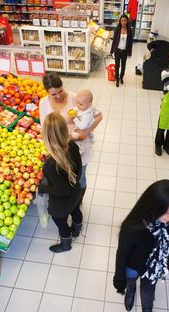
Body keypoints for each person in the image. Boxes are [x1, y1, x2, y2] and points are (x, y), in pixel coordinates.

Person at [113, 179, 169, 312]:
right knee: (131, 281)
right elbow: (122, 254)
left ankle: (147, 310)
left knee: (148, 290)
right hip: (133, 265)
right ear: (154, 207)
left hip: (153, 267)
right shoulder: (132, 228)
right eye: (168, 212)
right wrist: (119, 279)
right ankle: (131, 291)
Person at [39, 72, 102, 200]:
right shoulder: (43, 103)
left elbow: (98, 115)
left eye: (60, 91)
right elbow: (44, 126)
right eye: (53, 94)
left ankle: (79, 200)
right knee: (64, 179)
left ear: (63, 86)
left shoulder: (75, 98)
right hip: (59, 151)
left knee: (80, 177)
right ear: (47, 92)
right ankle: (70, 200)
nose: (58, 96)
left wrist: (86, 131)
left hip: (79, 148)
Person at [38, 112, 83, 253]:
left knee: (60, 221)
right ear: (65, 130)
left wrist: (42, 188)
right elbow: (80, 170)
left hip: (61, 202)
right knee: (76, 210)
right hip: (76, 191)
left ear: (46, 137)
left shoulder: (50, 164)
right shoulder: (73, 146)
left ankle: (66, 243)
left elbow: (62, 190)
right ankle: (77, 229)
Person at [110, 14, 133, 87]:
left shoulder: (129, 30)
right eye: (122, 21)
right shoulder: (117, 29)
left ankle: (121, 77)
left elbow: (130, 43)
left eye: (125, 21)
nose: (123, 22)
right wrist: (111, 51)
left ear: (127, 21)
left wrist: (130, 52)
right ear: (120, 21)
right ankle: (117, 79)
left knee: (123, 66)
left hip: (125, 51)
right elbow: (114, 41)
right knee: (117, 66)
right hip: (117, 50)